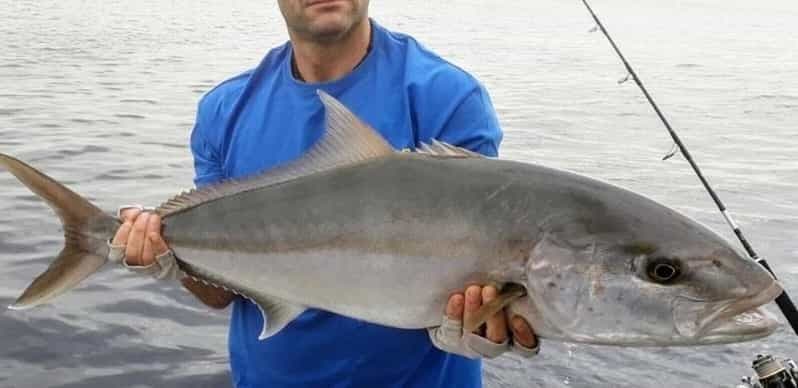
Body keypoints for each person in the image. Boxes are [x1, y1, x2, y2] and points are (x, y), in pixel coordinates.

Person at [110, 1, 539, 387]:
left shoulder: (446, 97)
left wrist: (480, 327)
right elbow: (221, 295)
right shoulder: (225, 110)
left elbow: (489, 264)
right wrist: (171, 262)